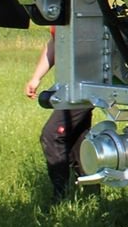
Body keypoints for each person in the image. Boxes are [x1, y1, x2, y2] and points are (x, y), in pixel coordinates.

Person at [25, 27, 93, 200]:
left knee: (52, 135)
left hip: (86, 85)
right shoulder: (63, 9)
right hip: (72, 86)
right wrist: (36, 77)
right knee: (78, 141)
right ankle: (90, 196)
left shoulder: (89, 4)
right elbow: (55, 42)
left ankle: (61, 197)